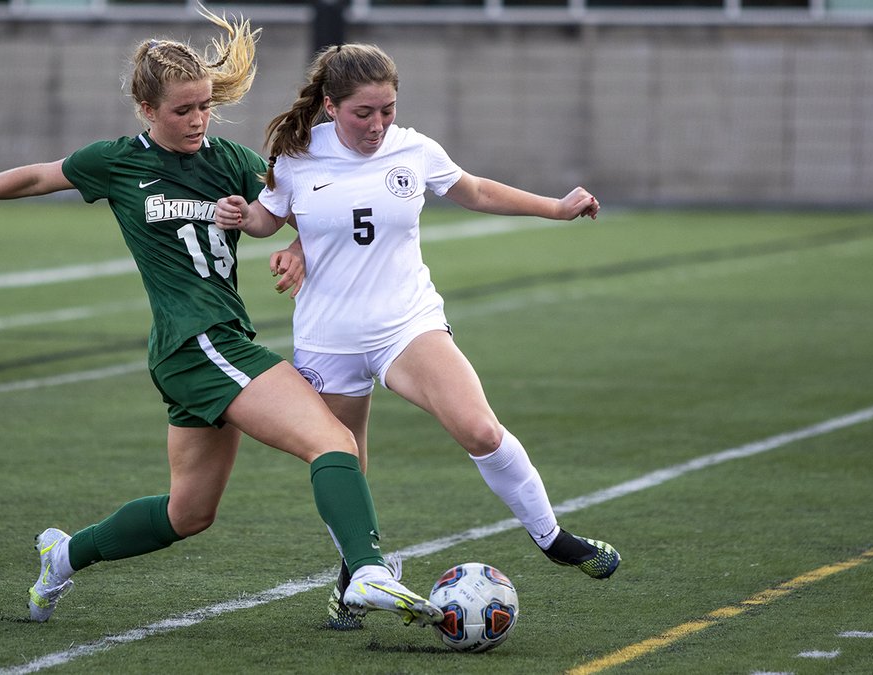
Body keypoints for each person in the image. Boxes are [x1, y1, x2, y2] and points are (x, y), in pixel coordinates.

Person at [0, 14, 442, 629]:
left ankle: (63, 556)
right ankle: (366, 573)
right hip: (195, 342)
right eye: (183, 110)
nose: (198, 120)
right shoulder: (117, 162)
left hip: (215, 343)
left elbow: (313, 209)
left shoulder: (231, 160)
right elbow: (37, 176)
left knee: (189, 514)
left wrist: (297, 247)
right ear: (146, 109)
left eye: (205, 107)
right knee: (333, 441)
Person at [213, 42, 620, 631]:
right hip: (328, 337)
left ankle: (552, 538)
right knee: (344, 464)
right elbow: (268, 217)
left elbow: (475, 190)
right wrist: (242, 216)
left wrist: (555, 208)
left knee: (479, 428)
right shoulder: (296, 156)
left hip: (407, 323)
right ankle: (355, 573)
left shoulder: (415, 149)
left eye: (388, 110)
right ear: (330, 106)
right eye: (363, 113)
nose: (378, 125)